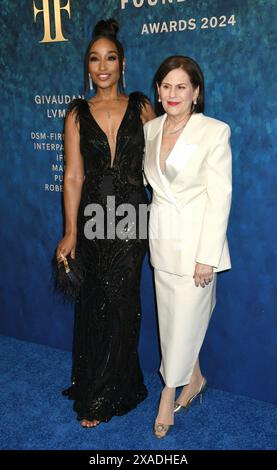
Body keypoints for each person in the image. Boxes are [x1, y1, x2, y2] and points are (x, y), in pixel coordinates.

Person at [56, 19, 155, 427]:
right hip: (94, 214)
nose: (102, 66)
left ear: (122, 63)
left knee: (123, 300)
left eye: (110, 58)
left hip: (132, 214)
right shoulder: (78, 114)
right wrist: (70, 230)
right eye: (94, 59)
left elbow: (159, 165)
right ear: (88, 67)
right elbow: (74, 175)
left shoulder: (143, 106)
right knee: (96, 300)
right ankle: (100, 385)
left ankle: (111, 391)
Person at [143, 56, 232, 438]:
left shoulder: (214, 132)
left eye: (182, 86)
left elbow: (220, 197)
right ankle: (194, 379)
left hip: (197, 249)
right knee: (172, 324)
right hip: (161, 243)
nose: (173, 93)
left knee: (184, 323)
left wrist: (206, 257)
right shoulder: (150, 130)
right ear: (158, 91)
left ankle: (167, 394)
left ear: (196, 92)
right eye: (166, 86)